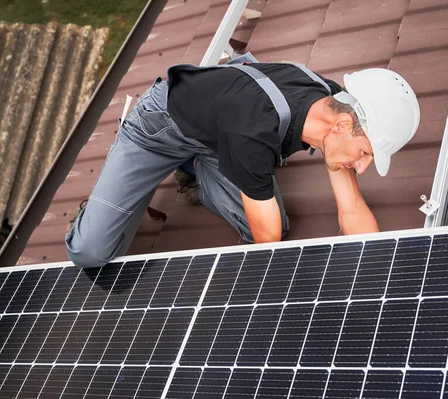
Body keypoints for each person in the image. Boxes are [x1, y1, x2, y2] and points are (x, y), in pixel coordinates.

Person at [65, 60, 420, 268]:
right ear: (343, 126)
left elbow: (352, 209)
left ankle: (193, 166)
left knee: (270, 221)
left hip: (220, 137)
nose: (362, 167)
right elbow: (268, 243)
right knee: (91, 251)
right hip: (158, 129)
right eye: (366, 153)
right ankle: (110, 200)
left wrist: (377, 272)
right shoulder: (255, 131)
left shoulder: (334, 107)